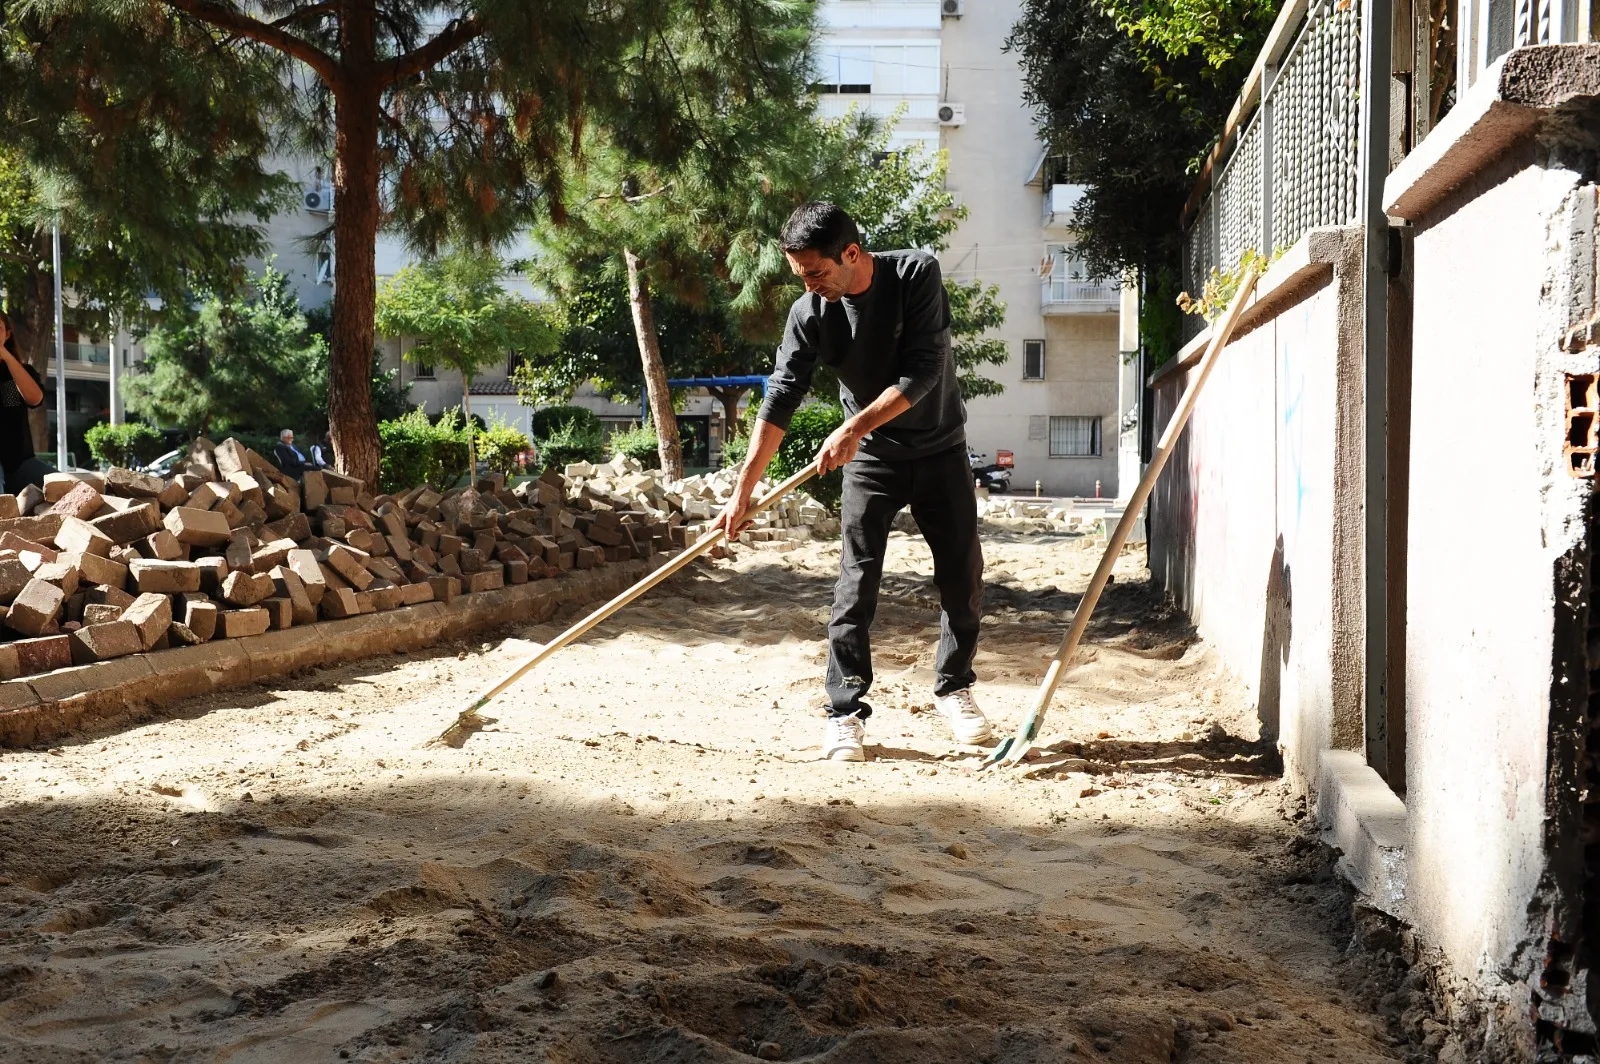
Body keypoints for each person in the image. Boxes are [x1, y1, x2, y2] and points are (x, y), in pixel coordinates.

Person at [711, 203, 988, 762]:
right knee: (855, 584)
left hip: (939, 448)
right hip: (872, 460)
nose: (810, 285)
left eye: (817, 271)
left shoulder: (916, 274)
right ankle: (844, 713)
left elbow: (925, 370)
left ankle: (955, 687)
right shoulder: (810, 311)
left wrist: (852, 428)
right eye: (800, 275)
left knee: (961, 573)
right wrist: (744, 489)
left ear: (852, 254)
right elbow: (782, 394)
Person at [0, 312, 49, 494]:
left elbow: (34, 398)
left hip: (19, 463)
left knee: (68, 488)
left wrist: (6, 355)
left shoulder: (15, 372)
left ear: (7, 334)